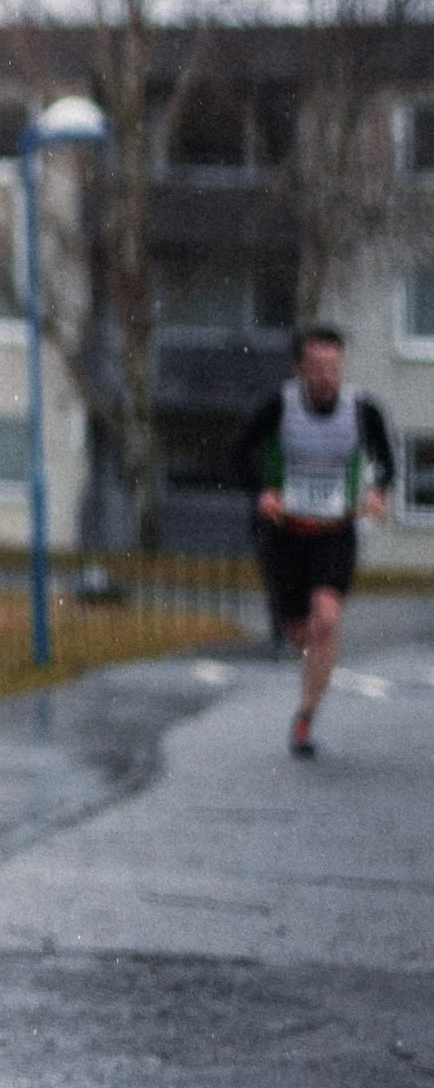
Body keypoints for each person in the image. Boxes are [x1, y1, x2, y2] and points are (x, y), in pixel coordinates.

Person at [230, 322, 393, 760]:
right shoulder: (278, 406)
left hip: (334, 533)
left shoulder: (363, 410)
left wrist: (378, 493)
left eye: (334, 367)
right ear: (299, 369)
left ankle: (306, 714)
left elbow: (385, 461)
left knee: (326, 619)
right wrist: (262, 492)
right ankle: (313, 661)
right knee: (300, 630)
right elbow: (239, 453)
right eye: (317, 368)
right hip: (284, 535)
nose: (326, 377)